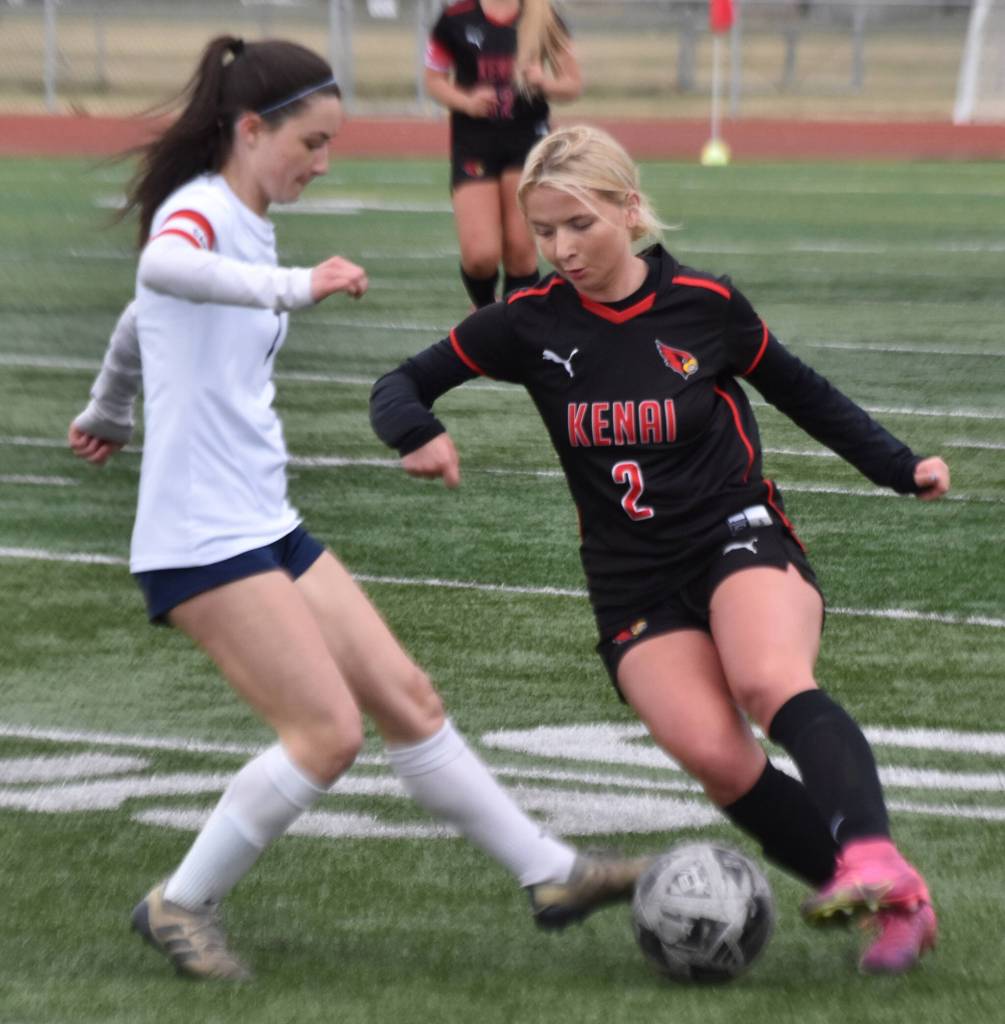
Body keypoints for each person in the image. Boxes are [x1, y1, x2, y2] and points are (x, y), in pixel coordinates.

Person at [68, 46, 646, 982]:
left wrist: (107, 410)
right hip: (198, 534)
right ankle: (181, 903)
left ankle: (551, 874)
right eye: (312, 142)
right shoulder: (201, 212)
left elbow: (140, 319)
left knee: (407, 700)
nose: (322, 162)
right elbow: (166, 272)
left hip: (261, 519)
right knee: (326, 735)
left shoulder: (246, 222)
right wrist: (297, 285)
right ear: (251, 130)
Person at [370, 124, 951, 976]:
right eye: (543, 231)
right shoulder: (527, 324)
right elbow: (399, 383)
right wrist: (415, 432)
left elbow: (801, 392)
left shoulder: (704, 306)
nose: (560, 249)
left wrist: (900, 467)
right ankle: (891, 902)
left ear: (628, 209)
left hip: (736, 535)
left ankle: (871, 853)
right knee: (719, 761)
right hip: (628, 579)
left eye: (579, 224)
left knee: (768, 679)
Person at [424, 0, 582, 308]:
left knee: (520, 253)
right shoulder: (455, 17)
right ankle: (484, 312)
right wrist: (467, 101)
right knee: (480, 255)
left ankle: (512, 329)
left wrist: (543, 82)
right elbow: (434, 81)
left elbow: (572, 84)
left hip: (528, 140)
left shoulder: (543, 15)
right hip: (474, 141)